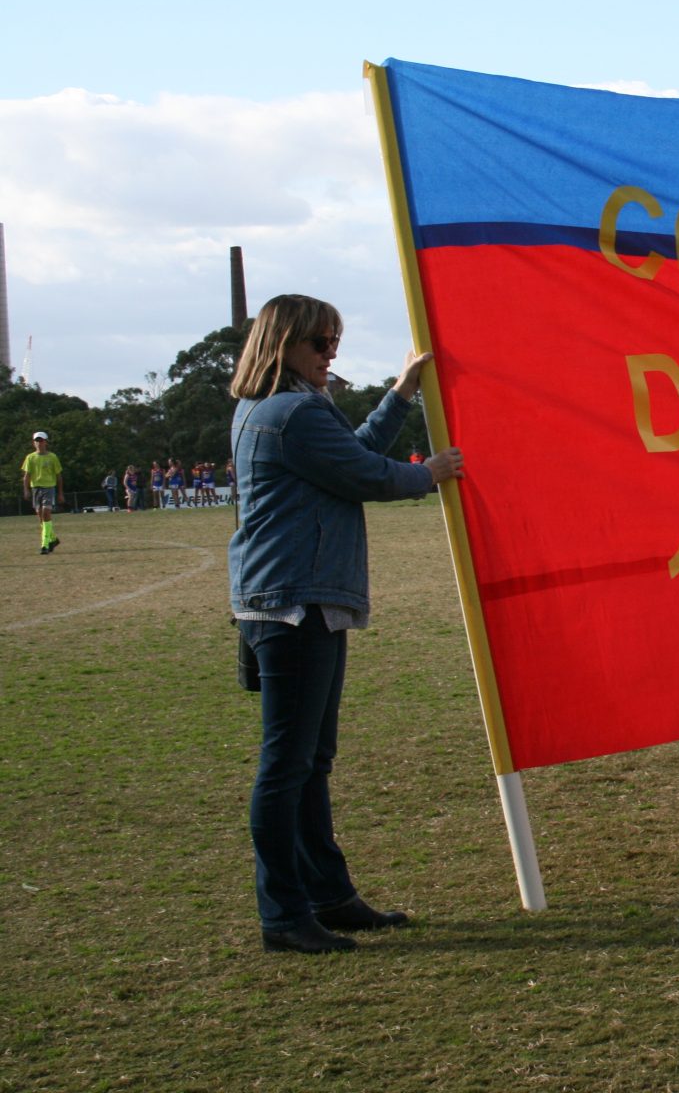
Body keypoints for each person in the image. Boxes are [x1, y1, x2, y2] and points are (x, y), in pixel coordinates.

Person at [229, 293, 464, 954]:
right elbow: (367, 473)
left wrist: (399, 394)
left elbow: (350, 455)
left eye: (334, 341)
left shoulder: (277, 409)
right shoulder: (293, 413)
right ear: (285, 347)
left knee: (309, 763)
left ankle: (328, 896)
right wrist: (431, 473)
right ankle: (284, 914)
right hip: (293, 603)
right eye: (319, 343)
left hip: (293, 600)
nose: (330, 354)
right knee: (288, 765)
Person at [21, 431, 64, 554]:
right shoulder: (30, 457)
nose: (39, 443)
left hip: (49, 488)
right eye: (36, 441)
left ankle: (44, 544)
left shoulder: (52, 457)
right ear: (33, 442)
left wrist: (60, 493)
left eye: (41, 440)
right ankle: (53, 539)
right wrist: (26, 490)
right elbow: (27, 475)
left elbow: (58, 475)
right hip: (36, 489)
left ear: (46, 442)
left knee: (45, 512)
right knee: (41, 517)